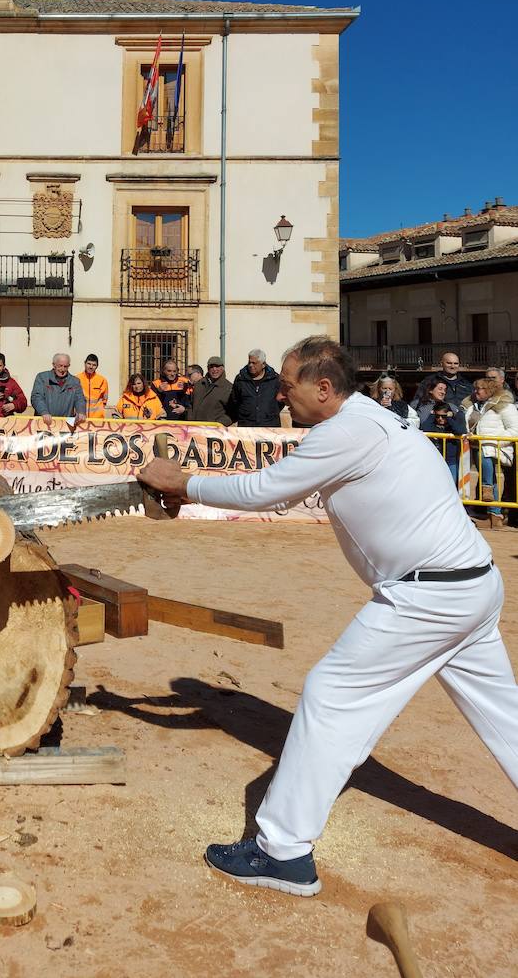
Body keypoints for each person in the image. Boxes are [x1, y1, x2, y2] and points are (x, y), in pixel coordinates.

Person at [138, 336, 518, 897]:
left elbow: (266, 490)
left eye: (289, 388)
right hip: (472, 585)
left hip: (427, 598)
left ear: (322, 388)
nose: (282, 398)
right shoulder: (367, 418)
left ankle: (282, 852)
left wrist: (181, 483)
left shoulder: (348, 431)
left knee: (329, 695)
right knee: (504, 715)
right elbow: (284, 492)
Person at [463, 378, 518, 528]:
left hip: (498, 448)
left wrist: (493, 441)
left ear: (490, 390)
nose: (476, 392)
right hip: (477, 447)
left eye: (479, 389)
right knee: (491, 479)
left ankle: (489, 496)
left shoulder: (505, 406)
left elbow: (515, 430)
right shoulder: (473, 407)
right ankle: (494, 516)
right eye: (475, 389)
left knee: (491, 476)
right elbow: (468, 426)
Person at [30, 353, 87, 431]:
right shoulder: (42, 377)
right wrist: (44, 412)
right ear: (54, 365)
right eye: (60, 366)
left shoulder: (75, 381)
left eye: (65, 366)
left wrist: (81, 411)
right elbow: (37, 397)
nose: (62, 369)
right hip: (44, 424)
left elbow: (80, 399)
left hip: (65, 427)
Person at [229, 350, 282, 427]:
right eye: (249, 362)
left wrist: (270, 412)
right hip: (246, 425)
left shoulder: (274, 379)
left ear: (263, 364)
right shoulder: (240, 379)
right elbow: (235, 400)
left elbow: (281, 401)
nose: (250, 365)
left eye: (254, 363)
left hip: (270, 425)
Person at [421, 398, 465, 482]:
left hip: (450, 461)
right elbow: (424, 428)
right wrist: (432, 415)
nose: (440, 418)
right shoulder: (432, 424)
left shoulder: (451, 425)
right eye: (437, 416)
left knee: (451, 483)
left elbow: (460, 431)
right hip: (435, 461)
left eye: (443, 416)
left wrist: (449, 418)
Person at [185, 356, 233, 425]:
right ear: (208, 368)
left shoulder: (228, 388)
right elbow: (190, 405)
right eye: (211, 367)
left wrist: (218, 424)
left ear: (222, 368)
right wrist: (190, 419)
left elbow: (232, 413)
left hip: (214, 432)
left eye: (217, 366)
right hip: (195, 430)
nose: (214, 369)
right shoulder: (199, 384)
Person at [77, 355, 109, 420]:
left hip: (97, 419)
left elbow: (104, 400)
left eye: (94, 365)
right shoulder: (77, 379)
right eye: (89, 364)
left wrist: (99, 413)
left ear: (97, 366)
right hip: (80, 418)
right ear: (84, 363)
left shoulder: (102, 380)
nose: (91, 367)